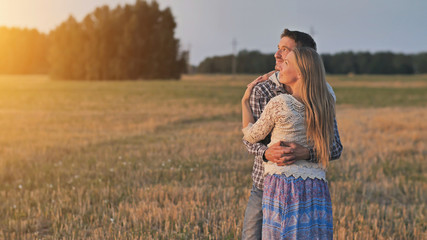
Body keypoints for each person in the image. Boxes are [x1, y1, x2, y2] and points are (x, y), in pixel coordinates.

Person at [241, 29, 342, 240]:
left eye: (285, 51)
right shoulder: (263, 90)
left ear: (305, 59)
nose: (278, 55)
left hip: (305, 186)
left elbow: (334, 148)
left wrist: (306, 153)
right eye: (278, 49)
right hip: (265, 184)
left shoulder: (323, 94)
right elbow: (251, 142)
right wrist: (267, 153)